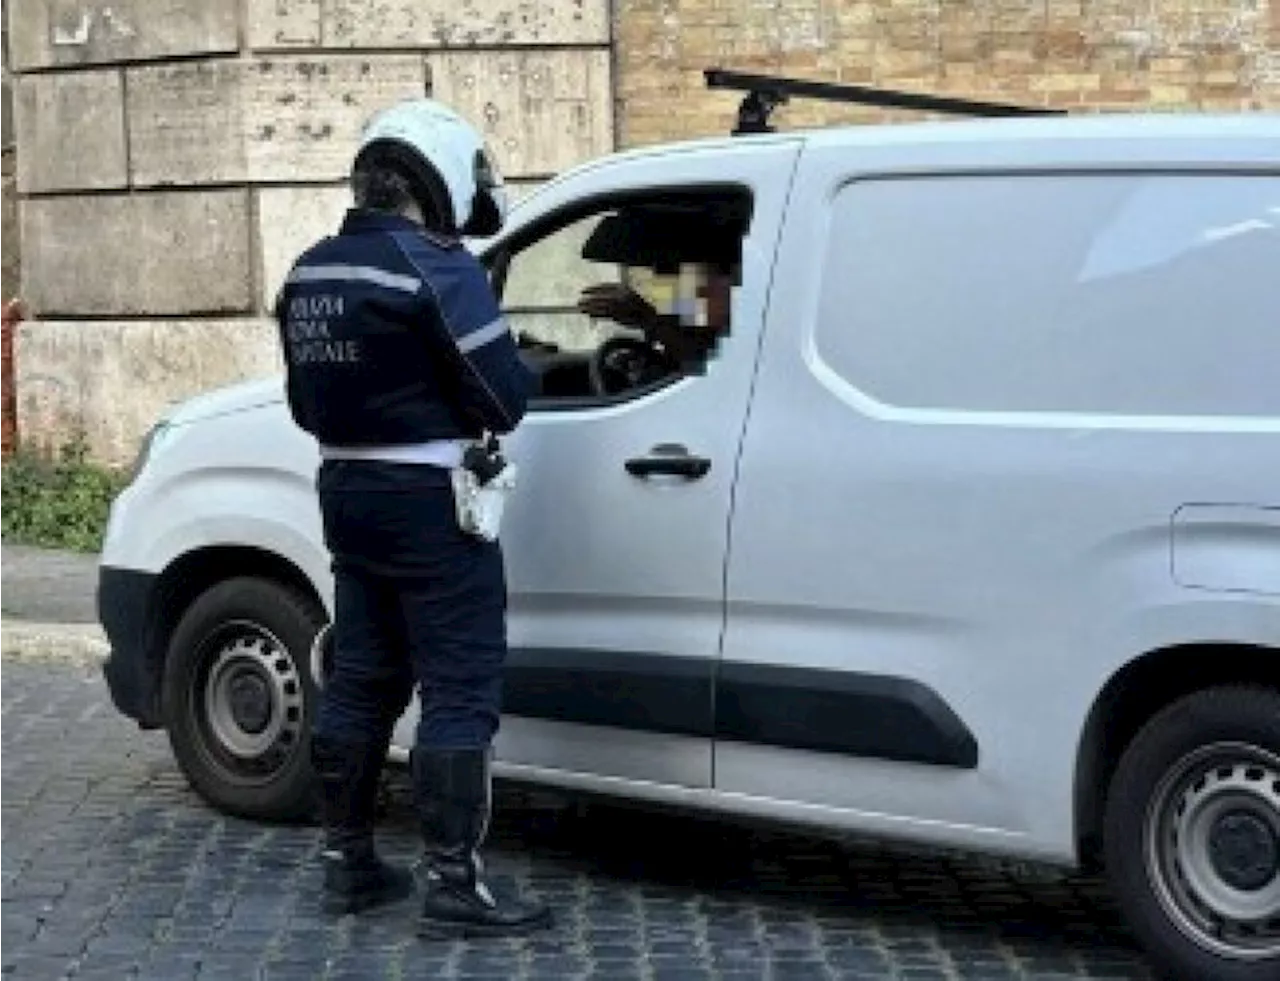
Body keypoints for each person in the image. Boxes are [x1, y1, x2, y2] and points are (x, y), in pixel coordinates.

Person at [271, 97, 552, 939]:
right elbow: (503, 397)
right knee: (460, 685)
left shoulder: (308, 271)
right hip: (433, 502)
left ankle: (347, 862)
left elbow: (299, 400)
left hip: (346, 493)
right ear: (434, 181)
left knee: (361, 677)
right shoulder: (436, 265)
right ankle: (455, 885)